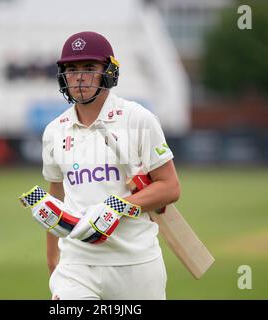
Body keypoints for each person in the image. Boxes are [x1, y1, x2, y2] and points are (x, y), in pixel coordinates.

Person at [25, 31, 181, 300]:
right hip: (76, 266)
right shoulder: (54, 131)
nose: (80, 77)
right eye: (71, 69)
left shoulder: (138, 119)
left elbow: (170, 188)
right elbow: (56, 199)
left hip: (135, 264)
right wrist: (53, 260)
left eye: (89, 68)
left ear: (109, 71)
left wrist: (117, 207)